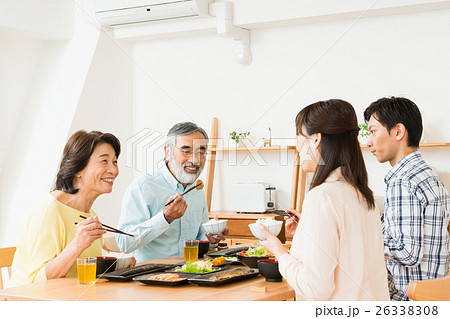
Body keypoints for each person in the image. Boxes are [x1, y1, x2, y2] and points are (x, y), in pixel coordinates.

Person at [258, 99, 389, 301]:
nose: (298, 147)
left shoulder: (322, 196)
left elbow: (315, 288)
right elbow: (349, 254)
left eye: (299, 138)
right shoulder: (363, 194)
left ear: (316, 139)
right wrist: (307, 230)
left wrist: (278, 250)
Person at [9, 130, 133, 287]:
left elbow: (81, 270)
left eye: (115, 162)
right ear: (78, 169)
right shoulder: (48, 211)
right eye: (104, 161)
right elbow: (36, 281)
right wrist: (77, 244)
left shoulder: (89, 214)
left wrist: (118, 265)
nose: (114, 170)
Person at [364, 96, 450, 300]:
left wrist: (363, 239)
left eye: (373, 131)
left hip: (407, 300)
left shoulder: (403, 181)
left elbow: (408, 253)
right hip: (434, 297)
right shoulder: (429, 176)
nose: (369, 142)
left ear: (398, 131)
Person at [116, 122, 227, 263]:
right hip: (151, 277)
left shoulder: (197, 189)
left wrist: (212, 238)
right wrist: (165, 218)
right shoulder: (144, 186)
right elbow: (123, 243)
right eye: (186, 151)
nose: (195, 160)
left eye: (201, 152)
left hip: (189, 272)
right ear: (167, 152)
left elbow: (200, 239)